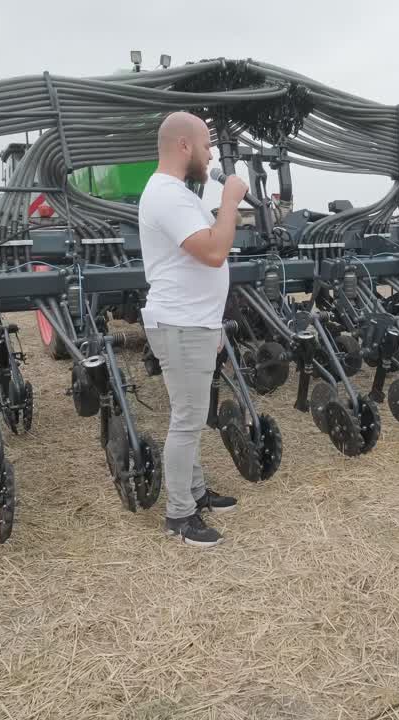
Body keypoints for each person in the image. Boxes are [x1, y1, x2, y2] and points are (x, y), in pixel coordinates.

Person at [139, 111, 246, 548]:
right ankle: (180, 516)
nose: (211, 154)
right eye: (206, 145)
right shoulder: (168, 196)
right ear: (184, 145)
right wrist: (231, 202)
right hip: (181, 325)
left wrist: (213, 322)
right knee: (186, 420)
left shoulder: (178, 193)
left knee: (193, 414)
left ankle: (196, 492)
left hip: (194, 323)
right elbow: (215, 252)